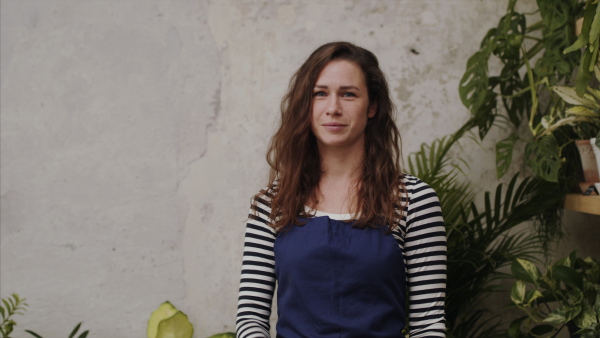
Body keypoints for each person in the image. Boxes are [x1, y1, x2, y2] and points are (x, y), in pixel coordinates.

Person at [236, 41, 446, 338]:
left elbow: (428, 324)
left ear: (372, 106)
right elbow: (250, 319)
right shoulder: (273, 204)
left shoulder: (414, 201)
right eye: (320, 94)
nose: (333, 108)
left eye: (348, 94)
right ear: (305, 106)